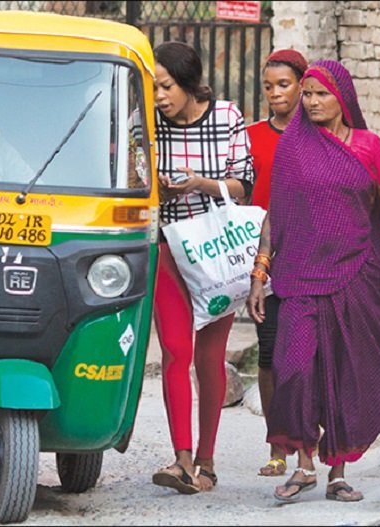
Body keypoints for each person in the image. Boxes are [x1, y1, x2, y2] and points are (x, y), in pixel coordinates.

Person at [246, 59, 380, 503]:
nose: (311, 102)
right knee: (293, 368)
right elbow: (276, 214)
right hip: (302, 276)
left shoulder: (369, 145)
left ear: (342, 97)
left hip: (357, 274)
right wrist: (259, 273)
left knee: (347, 374)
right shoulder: (292, 147)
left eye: (320, 94)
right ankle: (304, 464)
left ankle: (337, 472)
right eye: (306, 94)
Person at [150, 41, 254, 495]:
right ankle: (181, 460)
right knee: (176, 351)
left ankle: (207, 462)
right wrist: (158, 187)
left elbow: (243, 184)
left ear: (189, 84)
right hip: (169, 251)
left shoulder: (228, 117)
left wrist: (200, 184)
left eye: (166, 86)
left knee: (210, 357)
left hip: (215, 252)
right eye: (153, 87)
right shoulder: (151, 123)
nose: (158, 97)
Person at [246, 48, 309, 479]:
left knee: (304, 356)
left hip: (310, 257)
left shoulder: (320, 135)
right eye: (268, 86)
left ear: (303, 85)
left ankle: (309, 439)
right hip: (262, 260)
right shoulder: (251, 136)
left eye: (283, 84)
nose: (275, 94)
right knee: (268, 353)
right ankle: (277, 446)